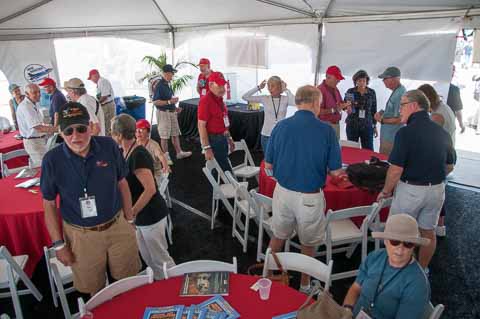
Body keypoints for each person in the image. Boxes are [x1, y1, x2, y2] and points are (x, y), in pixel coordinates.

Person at [40, 102, 141, 295]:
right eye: (68, 131)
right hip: (81, 236)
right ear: (60, 133)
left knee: (129, 284)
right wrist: (59, 244)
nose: (75, 136)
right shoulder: (52, 161)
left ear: (91, 127)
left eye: (81, 129)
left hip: (118, 225)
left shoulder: (109, 146)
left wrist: (129, 220)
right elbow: (49, 204)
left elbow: (122, 183)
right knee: (95, 291)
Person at [265, 85, 342, 294]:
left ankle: (268, 276)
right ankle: (305, 285)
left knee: (278, 235)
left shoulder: (280, 127)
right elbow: (335, 172)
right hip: (309, 197)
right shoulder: (326, 130)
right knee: (308, 242)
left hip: (282, 192)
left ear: (298, 102)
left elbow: (268, 166)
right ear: (316, 103)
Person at [377, 90, 455, 269]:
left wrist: (385, 191)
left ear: (414, 105)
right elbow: (450, 166)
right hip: (436, 191)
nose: (399, 110)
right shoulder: (442, 133)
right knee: (428, 232)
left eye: (402, 105)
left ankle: (397, 269)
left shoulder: (405, 133)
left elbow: (395, 170)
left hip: (411, 191)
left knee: (398, 232)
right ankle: (422, 269)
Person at [111, 114, 175, 280]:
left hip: (151, 215)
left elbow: (150, 189)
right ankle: (161, 284)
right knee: (149, 257)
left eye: (112, 134)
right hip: (142, 216)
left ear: (119, 135)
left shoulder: (138, 154)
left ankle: (174, 285)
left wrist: (131, 213)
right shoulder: (127, 151)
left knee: (161, 258)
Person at [343, 214, 430, 319]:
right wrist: (347, 309)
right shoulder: (375, 257)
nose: (400, 249)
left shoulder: (417, 284)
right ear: (385, 241)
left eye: (408, 244)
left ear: (414, 246)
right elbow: (356, 288)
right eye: (395, 241)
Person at [418, 84, 456, 238]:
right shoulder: (444, 107)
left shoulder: (436, 116)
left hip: (438, 157)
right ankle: (439, 226)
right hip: (446, 154)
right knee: (439, 193)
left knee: (434, 196)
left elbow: (429, 137)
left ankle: (431, 227)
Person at [241, 76, 295, 153]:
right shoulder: (265, 98)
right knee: (268, 160)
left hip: (281, 135)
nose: (270, 88)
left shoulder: (285, 99)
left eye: (272, 86)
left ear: (279, 87)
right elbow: (245, 97)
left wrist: (286, 89)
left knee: (280, 159)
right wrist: (258, 87)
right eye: (268, 86)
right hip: (266, 135)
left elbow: (296, 103)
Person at [152, 64, 192, 161]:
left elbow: (169, 100)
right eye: (171, 73)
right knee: (164, 136)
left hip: (171, 112)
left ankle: (179, 153)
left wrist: (175, 108)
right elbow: (155, 101)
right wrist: (170, 102)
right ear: (166, 73)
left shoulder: (167, 84)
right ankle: (165, 157)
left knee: (175, 134)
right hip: (163, 113)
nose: (172, 75)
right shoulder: (159, 85)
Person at [198, 71, 235, 172]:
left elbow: (224, 123)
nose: (222, 89)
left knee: (222, 168)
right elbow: (201, 126)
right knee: (224, 170)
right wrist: (206, 148)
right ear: (210, 85)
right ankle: (233, 187)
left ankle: (222, 186)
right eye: (219, 85)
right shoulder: (205, 101)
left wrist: (229, 138)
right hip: (213, 140)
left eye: (223, 85)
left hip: (222, 138)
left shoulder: (219, 99)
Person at [16, 83, 56, 167]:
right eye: (34, 92)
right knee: (44, 168)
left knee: (48, 166)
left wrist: (51, 127)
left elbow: (39, 123)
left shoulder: (33, 103)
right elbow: (39, 128)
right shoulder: (26, 107)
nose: (38, 95)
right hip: (33, 142)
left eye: (39, 92)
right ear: (27, 94)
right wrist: (58, 129)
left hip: (39, 141)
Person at [375, 67, 406, 155]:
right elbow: (393, 112)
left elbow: (400, 119)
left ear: (394, 79)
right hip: (388, 137)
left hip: (391, 139)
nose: (383, 81)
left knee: (386, 164)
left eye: (385, 78)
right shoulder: (397, 91)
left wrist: (382, 120)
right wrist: (383, 113)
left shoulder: (400, 94)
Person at [344, 70, 378, 150]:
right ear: (355, 81)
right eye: (359, 81)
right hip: (352, 124)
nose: (362, 83)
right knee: (351, 149)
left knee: (368, 150)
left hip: (367, 125)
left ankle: (367, 163)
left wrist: (374, 125)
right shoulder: (351, 91)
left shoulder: (372, 92)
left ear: (367, 81)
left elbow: (374, 109)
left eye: (364, 81)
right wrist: (347, 107)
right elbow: (345, 106)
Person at [317, 65, 351, 139]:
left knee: (335, 148)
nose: (339, 81)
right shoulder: (319, 90)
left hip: (335, 125)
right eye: (337, 78)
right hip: (324, 125)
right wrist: (334, 109)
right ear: (328, 77)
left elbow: (340, 103)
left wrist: (346, 107)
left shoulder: (335, 89)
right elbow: (317, 111)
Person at [135, 119, 170, 183]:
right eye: (136, 130)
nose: (138, 133)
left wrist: (165, 166)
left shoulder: (153, 145)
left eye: (141, 130)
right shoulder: (134, 144)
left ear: (148, 132)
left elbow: (161, 156)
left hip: (154, 174)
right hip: (139, 174)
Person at [88, 69, 116, 136]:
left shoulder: (102, 81)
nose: (91, 80)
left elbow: (104, 96)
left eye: (91, 78)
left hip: (107, 106)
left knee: (108, 125)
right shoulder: (99, 82)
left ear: (95, 75)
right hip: (105, 106)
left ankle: (109, 141)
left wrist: (96, 103)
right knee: (105, 125)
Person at [447, 65, 466, 133]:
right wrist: (461, 125)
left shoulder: (432, 87)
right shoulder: (454, 89)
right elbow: (458, 111)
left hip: (432, 122)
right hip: (448, 123)